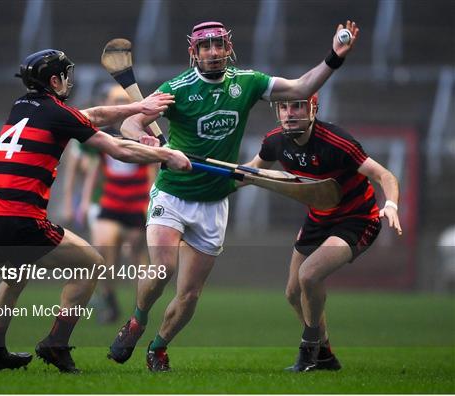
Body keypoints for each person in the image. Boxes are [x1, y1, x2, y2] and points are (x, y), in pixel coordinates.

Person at [108, 20, 360, 372]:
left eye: (218, 46)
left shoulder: (249, 82)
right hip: (173, 193)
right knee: (163, 268)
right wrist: (147, 140)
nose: (213, 53)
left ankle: (159, 347)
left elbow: (302, 86)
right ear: (193, 52)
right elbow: (130, 123)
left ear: (229, 48)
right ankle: (137, 320)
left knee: (190, 294)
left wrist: (335, 56)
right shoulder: (176, 88)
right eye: (205, 47)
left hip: (214, 200)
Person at [0, 49, 191, 373]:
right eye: (65, 75)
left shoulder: (21, 107)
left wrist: (137, 108)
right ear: (55, 80)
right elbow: (117, 148)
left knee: (13, 280)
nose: (69, 82)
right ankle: (56, 345)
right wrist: (166, 156)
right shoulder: (58, 114)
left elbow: (90, 115)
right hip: (20, 220)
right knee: (92, 265)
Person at [244, 93, 403, 372]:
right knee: (293, 293)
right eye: (284, 107)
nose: (290, 113)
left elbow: (385, 176)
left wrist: (390, 204)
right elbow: (249, 173)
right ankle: (326, 356)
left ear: (313, 109)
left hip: (357, 219)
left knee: (309, 274)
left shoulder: (337, 142)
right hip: (318, 219)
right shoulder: (274, 141)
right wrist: (206, 180)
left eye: (297, 106)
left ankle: (308, 352)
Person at [80, 84, 156, 324]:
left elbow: (153, 168)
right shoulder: (101, 133)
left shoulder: (141, 131)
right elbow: (95, 169)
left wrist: (151, 201)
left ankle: (141, 308)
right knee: (103, 251)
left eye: (124, 99)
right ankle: (109, 301)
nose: (119, 104)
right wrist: (84, 201)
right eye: (115, 100)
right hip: (111, 200)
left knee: (137, 255)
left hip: (137, 202)